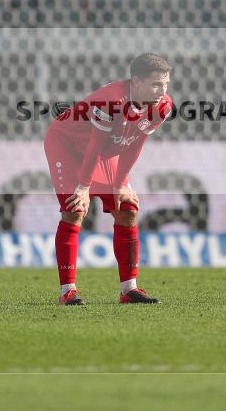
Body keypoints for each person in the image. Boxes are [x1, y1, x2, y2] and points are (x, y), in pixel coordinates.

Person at [44, 53, 174, 304]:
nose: (163, 90)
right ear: (136, 81)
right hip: (67, 145)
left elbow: (134, 144)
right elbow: (95, 144)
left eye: (166, 83)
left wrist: (120, 184)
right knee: (75, 208)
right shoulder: (111, 101)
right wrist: (83, 187)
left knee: (127, 208)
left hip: (104, 149)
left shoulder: (163, 106)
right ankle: (67, 292)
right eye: (156, 83)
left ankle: (129, 290)